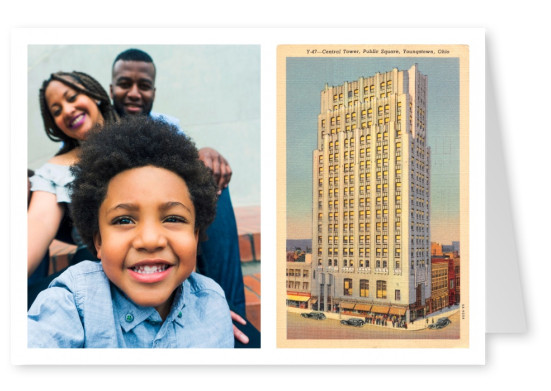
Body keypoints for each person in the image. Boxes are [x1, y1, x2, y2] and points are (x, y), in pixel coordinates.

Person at [28, 116, 234, 348]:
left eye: (173, 218)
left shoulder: (212, 305)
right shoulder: (74, 301)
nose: (149, 240)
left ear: (195, 236)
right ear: (98, 241)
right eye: (124, 219)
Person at [110, 49, 249, 326]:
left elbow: (187, 162)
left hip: (166, 215)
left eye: (144, 86)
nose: (135, 93)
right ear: (112, 87)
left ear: (154, 91)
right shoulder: (98, 124)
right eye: (125, 84)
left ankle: (231, 315)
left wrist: (206, 154)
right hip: (124, 222)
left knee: (211, 182)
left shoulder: (166, 126)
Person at [28, 71, 119, 280]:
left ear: (93, 94)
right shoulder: (54, 171)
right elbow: (38, 224)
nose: (68, 111)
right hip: (92, 273)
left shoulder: (143, 138)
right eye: (57, 111)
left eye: (72, 97)